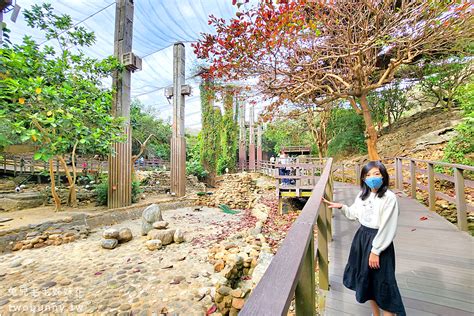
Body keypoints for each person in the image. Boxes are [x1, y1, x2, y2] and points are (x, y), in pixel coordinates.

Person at [323, 161, 406, 316]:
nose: (372, 178)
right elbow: (355, 213)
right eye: (367, 175)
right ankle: (375, 314)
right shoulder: (363, 194)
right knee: (368, 281)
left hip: (379, 241)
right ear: (363, 178)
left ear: (383, 176)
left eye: (376, 174)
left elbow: (388, 226)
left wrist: (376, 251)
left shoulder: (389, 197)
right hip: (362, 238)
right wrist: (342, 207)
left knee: (383, 283)